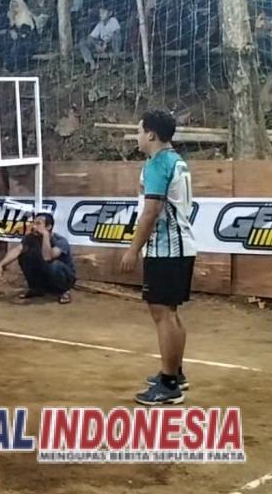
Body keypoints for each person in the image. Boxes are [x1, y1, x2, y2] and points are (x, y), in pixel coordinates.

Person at [121, 110, 196, 406]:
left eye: (139, 131)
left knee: (163, 313)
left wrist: (133, 249)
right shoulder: (175, 160)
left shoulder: (157, 164)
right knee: (170, 312)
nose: (137, 136)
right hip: (179, 247)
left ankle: (169, 384)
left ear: (151, 134)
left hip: (166, 249)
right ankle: (175, 373)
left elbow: (151, 212)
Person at [0, 213, 76, 304]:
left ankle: (64, 292)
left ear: (48, 227)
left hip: (65, 277)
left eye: (38, 224)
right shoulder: (30, 238)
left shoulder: (60, 241)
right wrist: (1, 265)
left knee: (53, 265)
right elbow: (17, 250)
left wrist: (45, 236)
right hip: (46, 274)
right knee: (24, 256)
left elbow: (47, 257)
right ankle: (37, 289)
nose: (34, 227)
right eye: (33, 223)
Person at [78, 5, 123, 72]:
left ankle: (115, 62)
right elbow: (91, 37)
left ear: (110, 13)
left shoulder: (113, 21)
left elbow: (117, 33)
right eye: (100, 13)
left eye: (103, 12)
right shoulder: (100, 24)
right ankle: (90, 63)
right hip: (102, 45)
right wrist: (96, 45)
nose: (101, 15)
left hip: (111, 44)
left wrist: (106, 43)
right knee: (83, 42)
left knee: (116, 37)